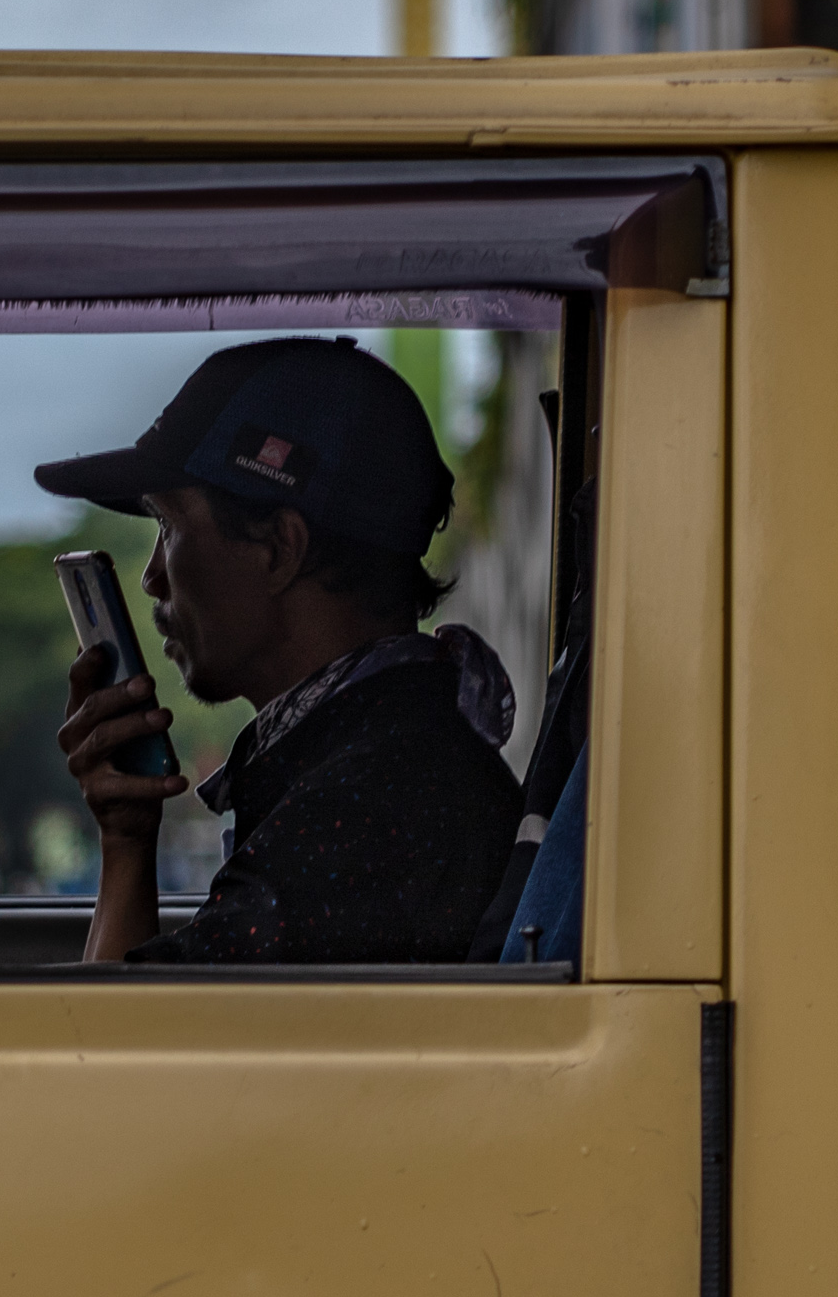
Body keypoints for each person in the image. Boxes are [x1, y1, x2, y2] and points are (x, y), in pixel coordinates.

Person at [38, 337, 524, 966]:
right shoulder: (392, 754)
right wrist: (126, 834)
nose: (153, 577)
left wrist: (123, 848)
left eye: (170, 526)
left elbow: (118, 1030)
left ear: (278, 549)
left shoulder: (358, 816)